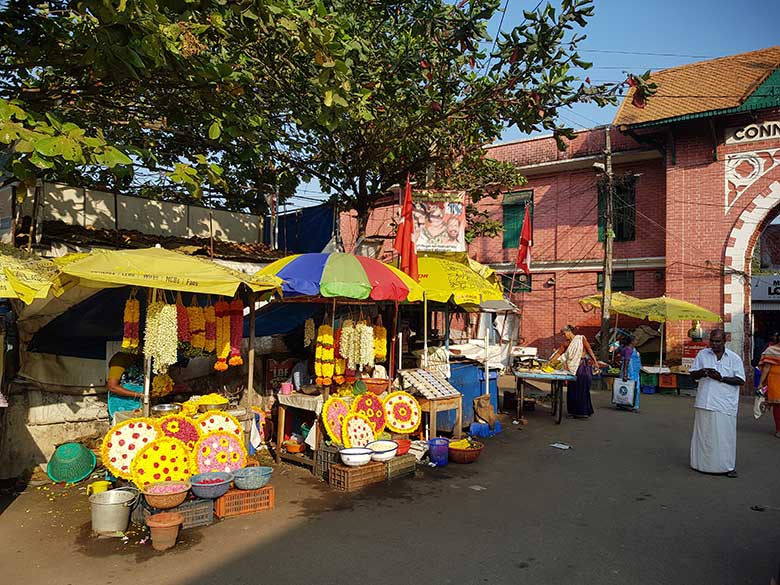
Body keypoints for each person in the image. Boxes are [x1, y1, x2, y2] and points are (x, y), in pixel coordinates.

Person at [689, 329, 745, 477]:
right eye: (712, 341)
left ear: (724, 341)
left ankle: (726, 467)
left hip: (724, 404)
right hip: (704, 401)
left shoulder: (734, 358)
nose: (714, 344)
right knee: (704, 435)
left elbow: (740, 380)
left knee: (724, 437)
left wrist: (721, 378)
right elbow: (692, 374)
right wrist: (704, 372)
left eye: (718, 341)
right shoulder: (702, 354)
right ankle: (700, 464)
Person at [549, 325, 600, 418]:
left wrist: (595, 362)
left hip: (582, 367)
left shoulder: (581, 339)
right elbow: (559, 353)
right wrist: (550, 362)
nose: (564, 336)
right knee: (572, 390)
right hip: (572, 369)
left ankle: (583, 412)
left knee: (583, 390)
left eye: (564, 334)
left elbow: (589, 350)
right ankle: (573, 412)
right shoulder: (566, 343)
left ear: (569, 332)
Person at [107, 350, 145, 421]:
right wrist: (138, 395)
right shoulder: (120, 359)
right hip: (122, 404)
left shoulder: (141, 359)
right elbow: (112, 387)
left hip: (138, 403)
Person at [758, 331, 780, 437]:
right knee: (778, 406)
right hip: (775, 380)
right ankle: (779, 429)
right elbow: (766, 368)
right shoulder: (770, 350)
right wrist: (761, 383)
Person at [618, 335, 642, 412]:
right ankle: (634, 405)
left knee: (630, 387)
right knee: (634, 388)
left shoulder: (630, 348)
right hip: (630, 371)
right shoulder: (628, 349)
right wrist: (625, 374)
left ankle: (624, 403)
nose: (636, 342)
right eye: (635, 340)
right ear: (632, 341)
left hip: (634, 370)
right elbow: (626, 362)